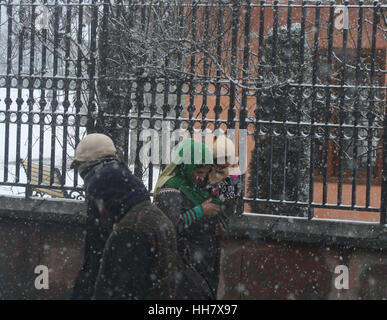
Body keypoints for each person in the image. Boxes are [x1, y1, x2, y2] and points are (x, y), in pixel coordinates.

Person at [69, 133, 177, 300]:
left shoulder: (98, 184)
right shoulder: (127, 179)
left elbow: (96, 250)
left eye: (79, 165)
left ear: (87, 162)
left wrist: (83, 292)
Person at [88, 160, 177, 300]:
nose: (100, 209)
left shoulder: (130, 229)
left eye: (100, 201)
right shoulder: (157, 217)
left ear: (114, 195)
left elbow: (125, 290)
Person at [153, 138, 222, 299]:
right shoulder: (171, 188)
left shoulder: (194, 188)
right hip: (183, 264)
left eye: (204, 173)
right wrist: (200, 210)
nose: (201, 177)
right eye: (198, 172)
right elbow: (170, 226)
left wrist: (217, 226)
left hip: (202, 262)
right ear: (187, 166)